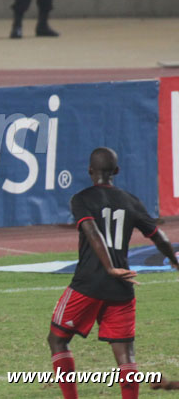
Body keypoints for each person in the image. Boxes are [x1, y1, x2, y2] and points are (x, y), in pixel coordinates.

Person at [47, 147, 179, 399]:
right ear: (116, 171)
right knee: (125, 355)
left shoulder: (81, 199)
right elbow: (159, 236)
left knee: (57, 340)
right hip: (122, 287)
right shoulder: (130, 200)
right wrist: (174, 260)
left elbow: (92, 231)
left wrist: (107, 267)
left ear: (89, 171)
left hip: (88, 283)